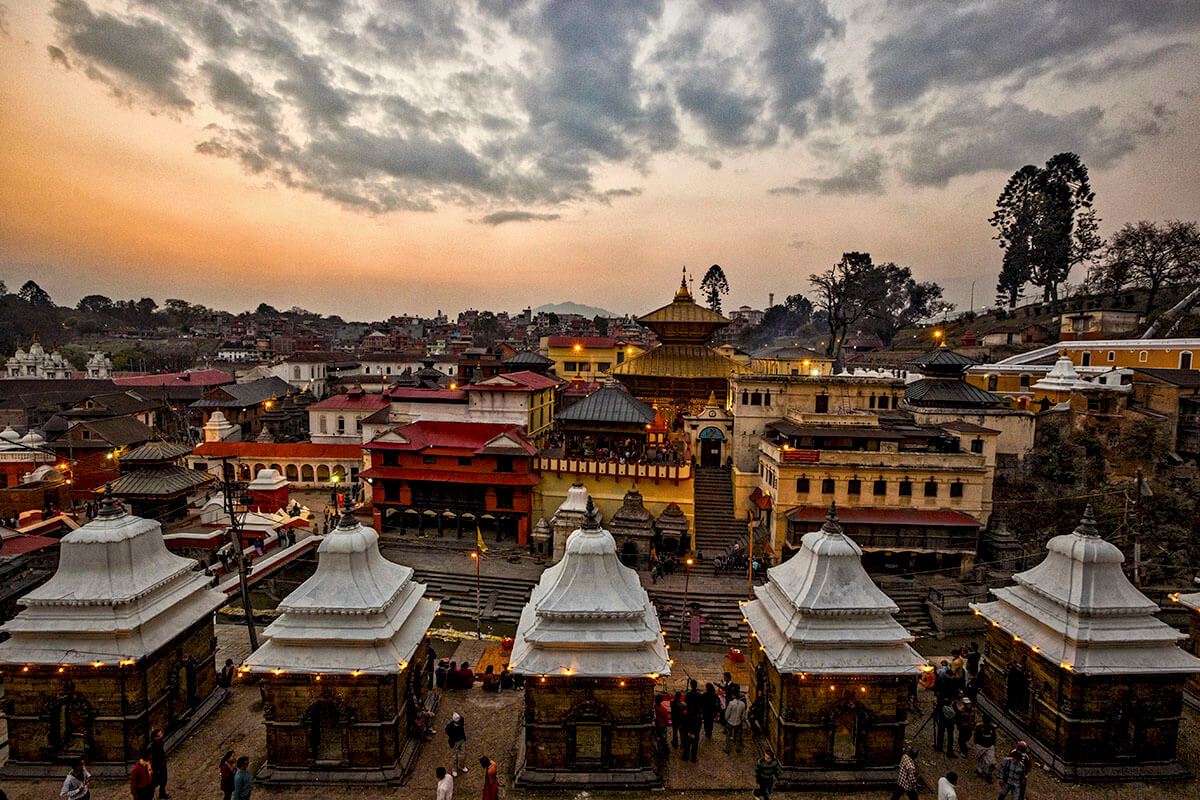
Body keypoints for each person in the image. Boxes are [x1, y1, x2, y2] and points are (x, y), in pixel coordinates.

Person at [723, 687, 746, 754]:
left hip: (730, 721)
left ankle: (727, 748)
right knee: (738, 736)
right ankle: (738, 748)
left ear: (734, 696)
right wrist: (741, 720)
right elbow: (743, 714)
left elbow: (727, 713)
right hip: (738, 722)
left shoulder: (731, 703)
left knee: (728, 735)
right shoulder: (743, 704)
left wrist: (726, 719)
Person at [974, 716, 997, 782]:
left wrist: (994, 743)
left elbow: (994, 736)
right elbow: (975, 735)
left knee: (991, 762)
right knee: (979, 758)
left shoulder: (992, 727)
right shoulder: (979, 727)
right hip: (980, 745)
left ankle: (988, 774)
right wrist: (976, 743)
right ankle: (979, 769)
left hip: (989, 746)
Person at [445, 712, 467, 777]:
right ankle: (454, 769)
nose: (459, 722)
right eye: (458, 721)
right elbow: (447, 732)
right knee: (455, 757)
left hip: (462, 740)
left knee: (463, 754)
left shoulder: (461, 720)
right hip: (454, 742)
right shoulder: (449, 726)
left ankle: (462, 766)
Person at [149, 728, 169, 799]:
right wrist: (157, 769)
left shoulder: (159, 743)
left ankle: (162, 793)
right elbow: (155, 758)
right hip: (158, 766)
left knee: (164, 780)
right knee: (155, 782)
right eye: (160, 735)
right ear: (156, 738)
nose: (162, 735)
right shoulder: (154, 746)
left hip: (162, 764)